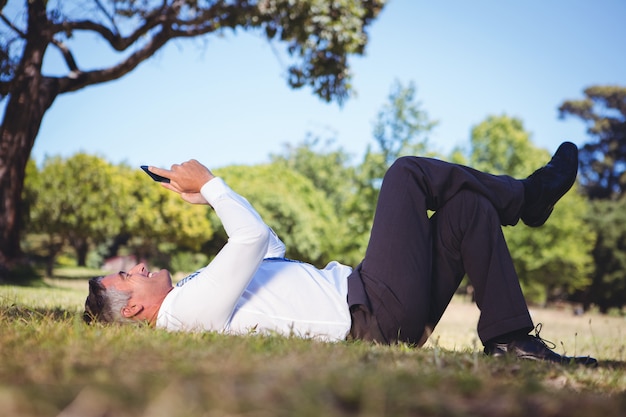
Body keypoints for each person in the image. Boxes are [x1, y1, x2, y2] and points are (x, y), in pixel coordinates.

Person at [84, 142, 597, 366]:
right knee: (405, 174)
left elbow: (270, 251)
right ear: (131, 309)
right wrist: (214, 186)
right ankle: (526, 198)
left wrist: (207, 197)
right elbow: (250, 239)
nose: (139, 267)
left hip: (376, 304)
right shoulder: (182, 313)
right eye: (128, 277)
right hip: (372, 313)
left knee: (466, 211)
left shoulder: (192, 292)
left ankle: (511, 341)